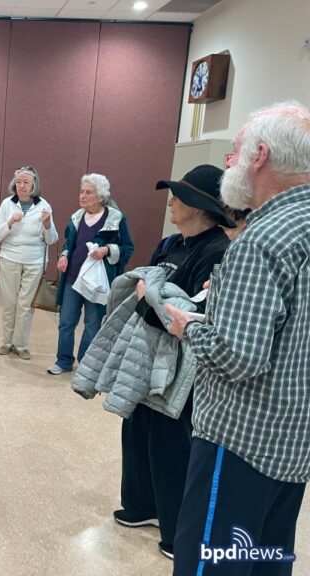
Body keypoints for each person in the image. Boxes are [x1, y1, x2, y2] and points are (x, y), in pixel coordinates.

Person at [166, 101, 310, 575]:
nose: (230, 162)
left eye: (235, 151)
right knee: (265, 562)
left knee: (213, 565)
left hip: (239, 446)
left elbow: (238, 358)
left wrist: (193, 326)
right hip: (292, 446)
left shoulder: (263, 239)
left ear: (261, 156)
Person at [112, 164, 234, 561]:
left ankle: (173, 525)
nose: (171, 203)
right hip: (147, 352)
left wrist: (152, 296)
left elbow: (187, 311)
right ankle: (141, 506)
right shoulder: (170, 243)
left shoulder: (218, 250)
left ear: (200, 206)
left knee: (170, 441)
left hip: (182, 362)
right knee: (137, 428)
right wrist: (152, 295)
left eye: (178, 198)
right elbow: (149, 290)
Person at [47, 174, 134, 375]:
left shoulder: (115, 218)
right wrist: (64, 254)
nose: (82, 196)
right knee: (66, 322)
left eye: (88, 192)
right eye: (81, 191)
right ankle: (63, 360)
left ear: (101, 196)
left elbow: (127, 248)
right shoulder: (76, 218)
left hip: (98, 282)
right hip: (72, 279)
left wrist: (107, 250)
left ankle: (86, 363)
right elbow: (70, 243)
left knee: (93, 324)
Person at [0, 166, 58, 360]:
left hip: (34, 260)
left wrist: (47, 224)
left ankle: (20, 345)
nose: (21, 186)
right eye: (18, 182)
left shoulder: (44, 205)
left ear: (34, 185)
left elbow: (52, 239)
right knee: (10, 303)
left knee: (25, 305)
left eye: (26, 182)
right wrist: (9, 222)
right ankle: (7, 341)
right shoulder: (7, 204)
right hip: (10, 257)